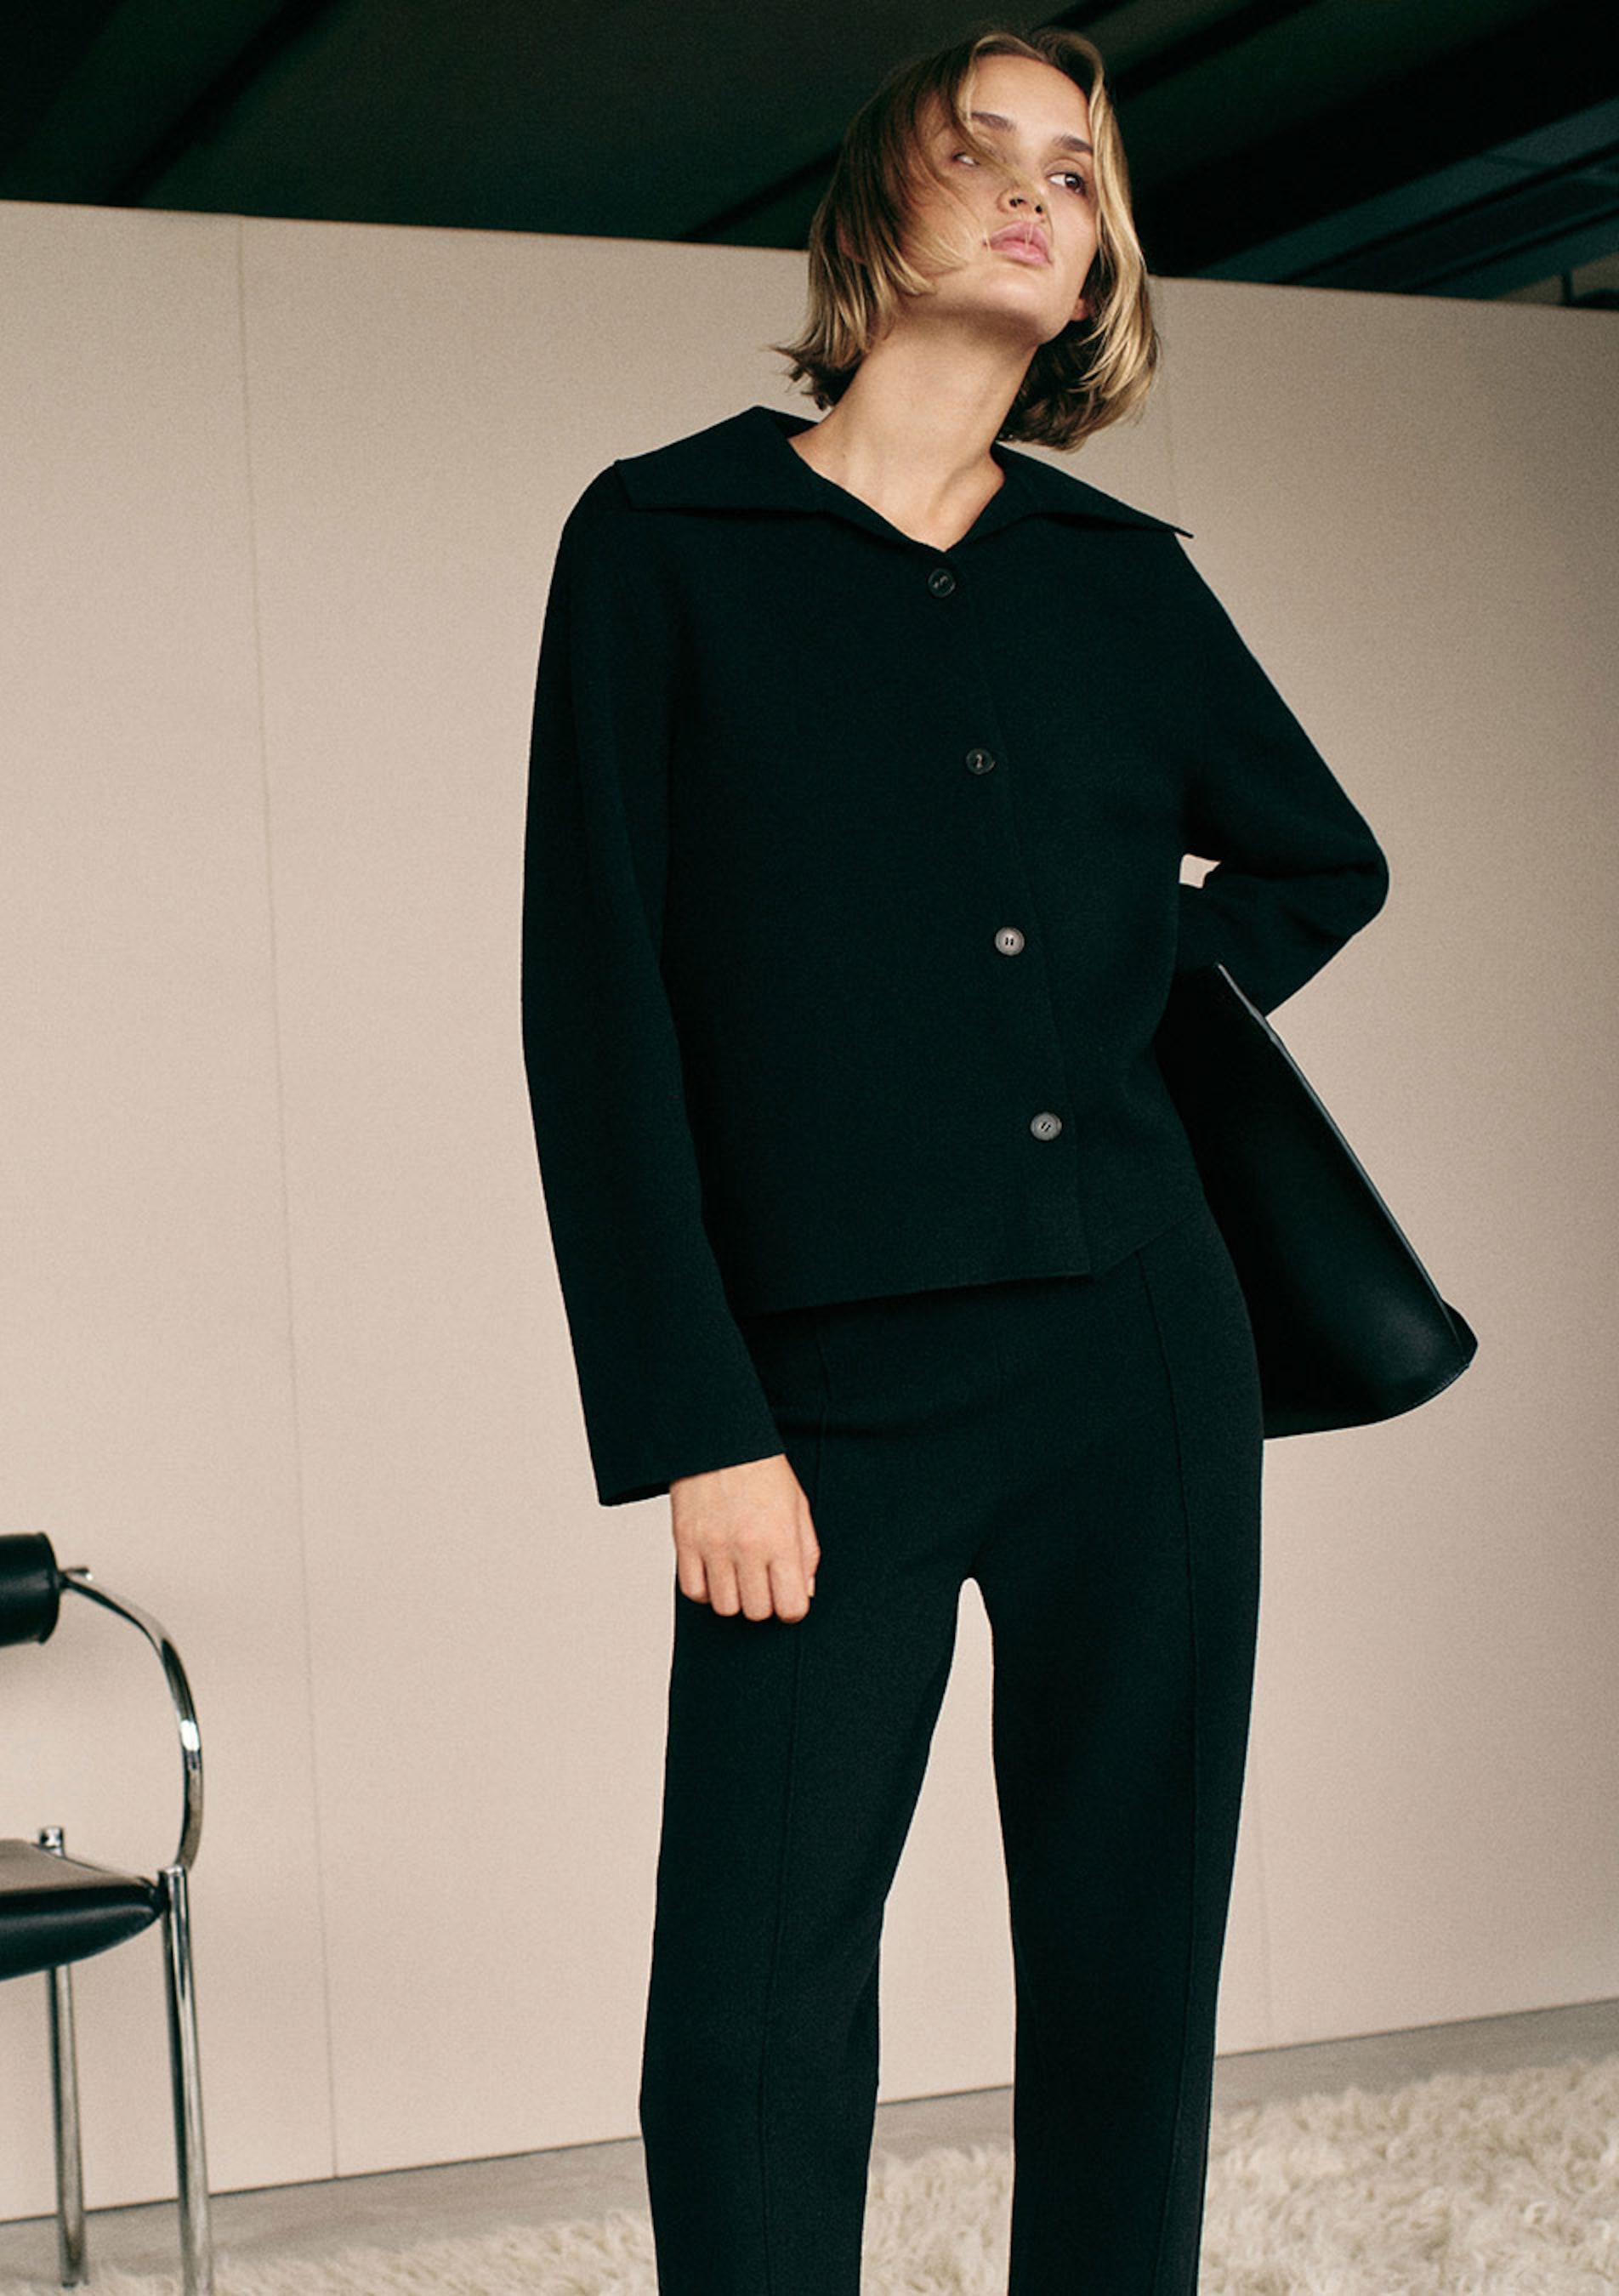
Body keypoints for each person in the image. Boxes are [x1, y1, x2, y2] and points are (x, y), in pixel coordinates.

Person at [520, 20, 1389, 2294]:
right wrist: (699, 1416)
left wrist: (1124, 998)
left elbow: (1319, 858)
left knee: (1128, 1964)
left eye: (1076, 170)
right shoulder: (666, 543)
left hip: (1143, 1359)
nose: (1031, 188)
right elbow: (593, 1009)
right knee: (751, 2000)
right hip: (824, 1396)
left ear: (1101, 259)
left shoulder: (1120, 579)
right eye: (977, 147)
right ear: (877, 207)